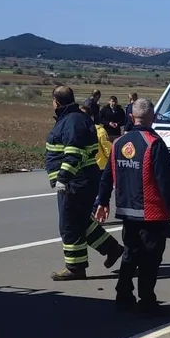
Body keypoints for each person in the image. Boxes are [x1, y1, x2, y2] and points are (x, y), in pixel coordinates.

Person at [94, 99, 170, 312]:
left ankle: (123, 295)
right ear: (153, 117)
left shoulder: (119, 144)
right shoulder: (154, 143)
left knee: (130, 253)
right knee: (150, 259)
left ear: (131, 117)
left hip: (126, 210)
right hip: (151, 212)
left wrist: (102, 201)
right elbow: (165, 180)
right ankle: (147, 301)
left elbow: (107, 175)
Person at [44, 85, 124, 280]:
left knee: (69, 225)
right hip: (81, 180)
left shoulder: (71, 121)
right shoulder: (74, 118)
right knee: (81, 220)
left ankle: (75, 267)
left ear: (57, 102)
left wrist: (64, 178)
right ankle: (111, 249)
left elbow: (74, 152)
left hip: (75, 182)